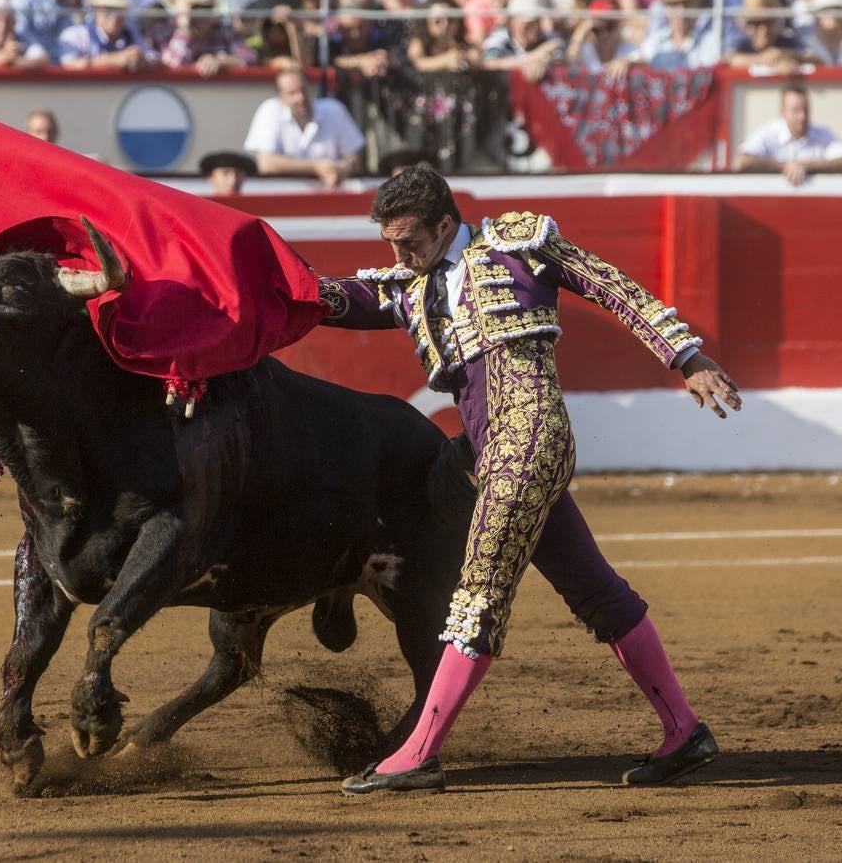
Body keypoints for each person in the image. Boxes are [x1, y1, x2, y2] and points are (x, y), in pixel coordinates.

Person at [311, 165, 740, 795]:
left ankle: (421, 753)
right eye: (390, 245)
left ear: (445, 224)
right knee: (595, 591)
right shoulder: (410, 286)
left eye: (410, 242)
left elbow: (611, 285)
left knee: (478, 593)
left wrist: (686, 356)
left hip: (529, 438)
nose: (400, 256)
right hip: (494, 451)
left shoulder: (518, 246)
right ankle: (685, 732)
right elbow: (334, 300)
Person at [242, 65, 365, 190]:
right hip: (281, 197)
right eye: (292, 93)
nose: (300, 97)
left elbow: (354, 158)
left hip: (330, 196)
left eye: (303, 90)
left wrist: (341, 169)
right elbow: (266, 164)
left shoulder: (334, 109)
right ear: (280, 97)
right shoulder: (270, 109)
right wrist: (316, 167)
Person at [735, 84, 842, 185]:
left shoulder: (822, 134)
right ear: (783, 113)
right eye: (796, 110)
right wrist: (785, 166)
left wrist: (806, 166)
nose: (802, 116)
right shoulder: (768, 133)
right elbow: (742, 161)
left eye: (805, 110)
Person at [56, 0, 155, 70]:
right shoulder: (75, 36)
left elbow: (154, 58)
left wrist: (143, 61)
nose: (114, 16)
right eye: (108, 9)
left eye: (119, 10)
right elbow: (68, 64)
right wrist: (114, 60)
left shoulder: (131, 33)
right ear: (95, 10)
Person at [11, 0, 86, 65]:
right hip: (38, 68)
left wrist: (75, 6)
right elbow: (21, 32)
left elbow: (89, 28)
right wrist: (40, 55)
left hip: (73, 65)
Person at [481, 0, 563, 81]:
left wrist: (546, 61)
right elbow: (490, 65)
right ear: (512, 20)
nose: (534, 26)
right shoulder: (499, 39)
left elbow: (565, 59)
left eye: (537, 20)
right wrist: (535, 57)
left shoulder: (550, 38)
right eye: (528, 21)